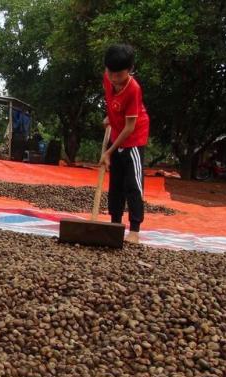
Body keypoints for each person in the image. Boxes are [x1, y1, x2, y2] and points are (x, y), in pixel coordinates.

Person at [100, 44, 150, 244]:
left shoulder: (134, 89)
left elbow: (130, 127)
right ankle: (115, 224)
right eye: (110, 73)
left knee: (133, 184)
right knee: (116, 184)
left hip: (133, 138)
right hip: (117, 132)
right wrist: (109, 117)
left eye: (119, 75)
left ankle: (135, 230)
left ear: (129, 70)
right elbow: (114, 104)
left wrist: (108, 152)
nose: (114, 79)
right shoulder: (108, 78)